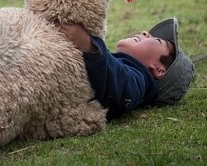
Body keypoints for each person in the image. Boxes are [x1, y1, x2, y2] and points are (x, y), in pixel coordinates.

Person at [60, 17, 195, 119]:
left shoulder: (139, 83)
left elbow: (123, 83)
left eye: (156, 40)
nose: (145, 32)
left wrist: (88, 45)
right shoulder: (120, 64)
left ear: (158, 70)